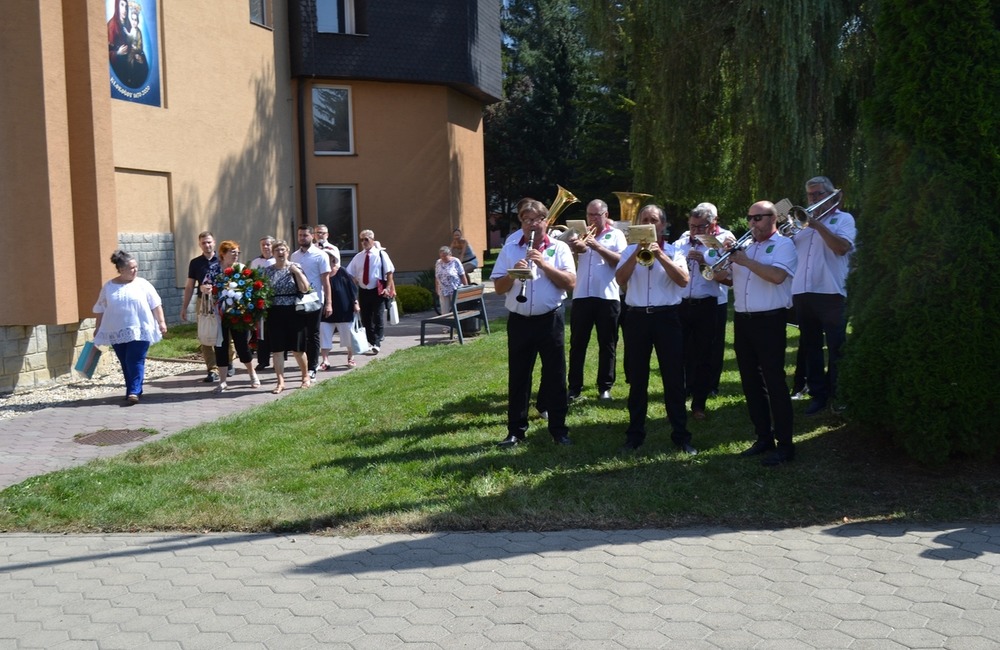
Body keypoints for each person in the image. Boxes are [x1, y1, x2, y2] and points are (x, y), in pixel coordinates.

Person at [490, 198, 576, 448]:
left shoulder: (559, 248)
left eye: (535, 221)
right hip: (519, 322)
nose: (530, 226)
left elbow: (570, 283)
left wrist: (543, 264)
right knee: (518, 377)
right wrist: (512, 273)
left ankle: (559, 430)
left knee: (556, 376)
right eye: (525, 221)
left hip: (550, 320)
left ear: (545, 222)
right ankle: (515, 431)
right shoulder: (510, 248)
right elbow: (498, 288)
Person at [615, 205, 696, 455]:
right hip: (637, 318)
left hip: (666, 318)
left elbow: (683, 280)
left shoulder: (674, 251)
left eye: (654, 220)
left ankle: (681, 436)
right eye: (645, 219)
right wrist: (636, 252)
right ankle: (635, 435)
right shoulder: (629, 250)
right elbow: (620, 279)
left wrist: (660, 255)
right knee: (637, 379)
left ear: (663, 225)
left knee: (673, 379)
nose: (650, 223)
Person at [723, 201, 798, 466]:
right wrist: (720, 265)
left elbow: (777, 276)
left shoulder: (784, 245)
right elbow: (729, 279)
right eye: (750, 217)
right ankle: (763, 437)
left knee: (775, 383)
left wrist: (744, 260)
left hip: (770, 321)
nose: (752, 223)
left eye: (758, 218)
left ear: (773, 218)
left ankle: (786, 445)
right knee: (751, 383)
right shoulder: (746, 247)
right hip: (743, 321)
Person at [791, 176, 856, 415]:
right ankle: (818, 394)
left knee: (837, 346)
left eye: (818, 194)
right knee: (811, 346)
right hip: (803, 291)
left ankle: (838, 393)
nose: (814, 199)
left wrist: (817, 224)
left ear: (831, 195)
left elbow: (841, 248)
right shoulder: (799, 226)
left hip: (831, 292)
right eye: (810, 195)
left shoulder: (844, 219)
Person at [675, 202, 734, 419]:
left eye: (701, 227)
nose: (696, 231)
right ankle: (679, 396)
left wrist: (703, 263)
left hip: (706, 304)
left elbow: (726, 278)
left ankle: (699, 403)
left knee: (704, 355)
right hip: (681, 305)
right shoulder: (680, 243)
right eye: (692, 226)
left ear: (711, 225)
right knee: (679, 353)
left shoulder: (719, 246)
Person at [567, 199, 627, 402]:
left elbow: (621, 260)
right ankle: (574, 387)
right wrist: (573, 248)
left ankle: (605, 387)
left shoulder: (616, 234)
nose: (592, 218)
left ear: (606, 215)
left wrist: (597, 246)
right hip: (582, 294)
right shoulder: (578, 233)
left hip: (607, 296)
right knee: (577, 343)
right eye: (589, 214)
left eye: (596, 215)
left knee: (608, 343)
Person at [92, 250, 167, 404]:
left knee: (134, 359)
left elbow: (156, 304)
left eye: (136, 267)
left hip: (141, 328)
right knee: (125, 361)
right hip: (116, 330)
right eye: (131, 268)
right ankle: (132, 389)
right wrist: (97, 327)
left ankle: (134, 391)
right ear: (121, 269)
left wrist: (161, 322)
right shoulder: (109, 286)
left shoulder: (143, 284)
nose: (135, 270)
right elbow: (100, 308)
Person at [208, 241, 260, 393]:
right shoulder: (214, 269)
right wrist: (206, 289)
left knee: (242, 346)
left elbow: (250, 287)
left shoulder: (241, 268)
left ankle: (252, 374)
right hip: (220, 314)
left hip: (239, 314)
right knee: (220, 347)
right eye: (232, 252)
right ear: (223, 254)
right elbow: (206, 284)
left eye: (238, 252)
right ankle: (223, 382)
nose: (236, 255)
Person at [261, 240, 311, 393]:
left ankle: (305, 377)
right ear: (273, 253)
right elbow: (263, 291)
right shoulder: (268, 271)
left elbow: (306, 288)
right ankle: (280, 382)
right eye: (277, 250)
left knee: (297, 349)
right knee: (277, 350)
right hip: (274, 312)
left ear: (288, 252)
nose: (280, 253)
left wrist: (296, 272)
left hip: (293, 311)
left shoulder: (295, 267)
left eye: (283, 250)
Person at [290, 225, 332, 379]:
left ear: (312, 236)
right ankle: (305, 365)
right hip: (299, 300)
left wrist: (328, 303)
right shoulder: (294, 256)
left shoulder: (320, 255)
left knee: (313, 334)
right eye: (300, 235)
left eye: (305, 235)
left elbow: (326, 281)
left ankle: (313, 367)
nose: (302, 238)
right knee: (301, 333)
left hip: (315, 301)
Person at [180, 231, 220, 383]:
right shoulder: (195, 263)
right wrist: (184, 307)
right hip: (202, 301)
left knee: (224, 333)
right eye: (203, 243)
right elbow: (190, 286)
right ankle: (212, 369)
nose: (207, 245)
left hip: (220, 301)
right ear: (199, 244)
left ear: (214, 242)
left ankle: (228, 362)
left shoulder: (222, 260)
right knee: (205, 333)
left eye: (209, 242)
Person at [347, 229, 395, 354]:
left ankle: (377, 342)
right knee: (366, 318)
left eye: (366, 239)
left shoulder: (381, 254)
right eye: (362, 240)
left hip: (377, 290)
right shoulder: (358, 256)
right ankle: (373, 341)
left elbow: (389, 272)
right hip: (364, 290)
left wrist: (388, 288)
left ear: (372, 240)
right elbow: (349, 272)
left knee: (378, 316)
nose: (364, 242)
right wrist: (354, 281)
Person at [320, 247, 361, 369]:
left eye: (328, 257)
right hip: (326, 310)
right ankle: (325, 360)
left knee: (347, 335)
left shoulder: (342, 271)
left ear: (333, 259)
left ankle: (350, 357)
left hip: (344, 308)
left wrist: (355, 302)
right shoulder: (321, 273)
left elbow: (352, 288)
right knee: (324, 334)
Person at [250, 236, 276, 371]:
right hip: (261, 300)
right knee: (262, 332)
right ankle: (263, 360)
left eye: (268, 244)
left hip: (276, 299)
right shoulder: (256, 262)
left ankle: (279, 358)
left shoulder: (277, 260)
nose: (265, 247)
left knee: (276, 330)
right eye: (263, 245)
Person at [435, 245, 469, 314]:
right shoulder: (438, 262)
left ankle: (457, 324)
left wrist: (466, 287)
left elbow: (462, 275)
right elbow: (437, 276)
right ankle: (447, 324)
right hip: (443, 290)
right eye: (441, 256)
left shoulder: (456, 261)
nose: (443, 258)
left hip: (454, 289)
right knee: (444, 311)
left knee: (456, 310)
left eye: (445, 256)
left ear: (450, 254)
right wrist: (437, 288)